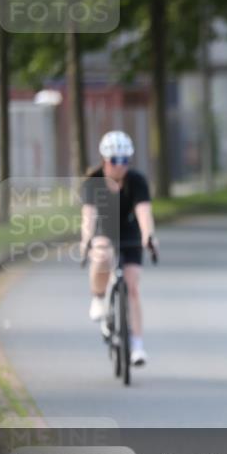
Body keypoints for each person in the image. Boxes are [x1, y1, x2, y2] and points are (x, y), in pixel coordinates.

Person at [81, 130, 157, 366]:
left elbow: (144, 212)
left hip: (130, 232)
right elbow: (89, 216)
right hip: (104, 229)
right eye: (115, 160)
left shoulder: (136, 180)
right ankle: (98, 296)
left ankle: (137, 345)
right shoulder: (93, 182)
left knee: (132, 287)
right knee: (101, 253)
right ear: (105, 159)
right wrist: (86, 240)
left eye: (125, 160)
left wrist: (148, 236)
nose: (120, 165)